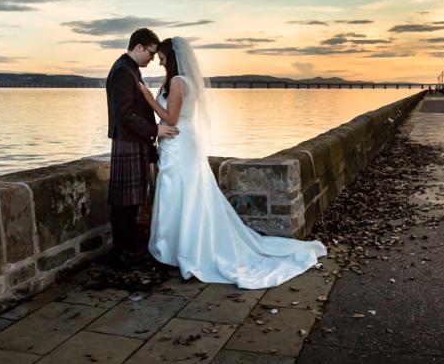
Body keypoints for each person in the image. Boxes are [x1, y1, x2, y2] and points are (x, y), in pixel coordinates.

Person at [138, 37, 326, 289]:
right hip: (176, 144)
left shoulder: (178, 82)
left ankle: (186, 250)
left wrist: (149, 98)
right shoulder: (176, 81)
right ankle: (175, 247)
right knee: (180, 194)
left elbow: (171, 118)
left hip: (179, 144)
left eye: (161, 57)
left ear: (171, 56)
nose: (158, 61)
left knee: (184, 194)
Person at [106, 28, 179, 270]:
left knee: (132, 200)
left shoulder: (130, 69)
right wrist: (155, 131)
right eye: (150, 53)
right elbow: (124, 114)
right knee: (124, 202)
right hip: (128, 141)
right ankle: (119, 255)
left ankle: (125, 251)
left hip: (135, 142)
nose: (152, 59)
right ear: (139, 47)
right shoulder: (122, 72)